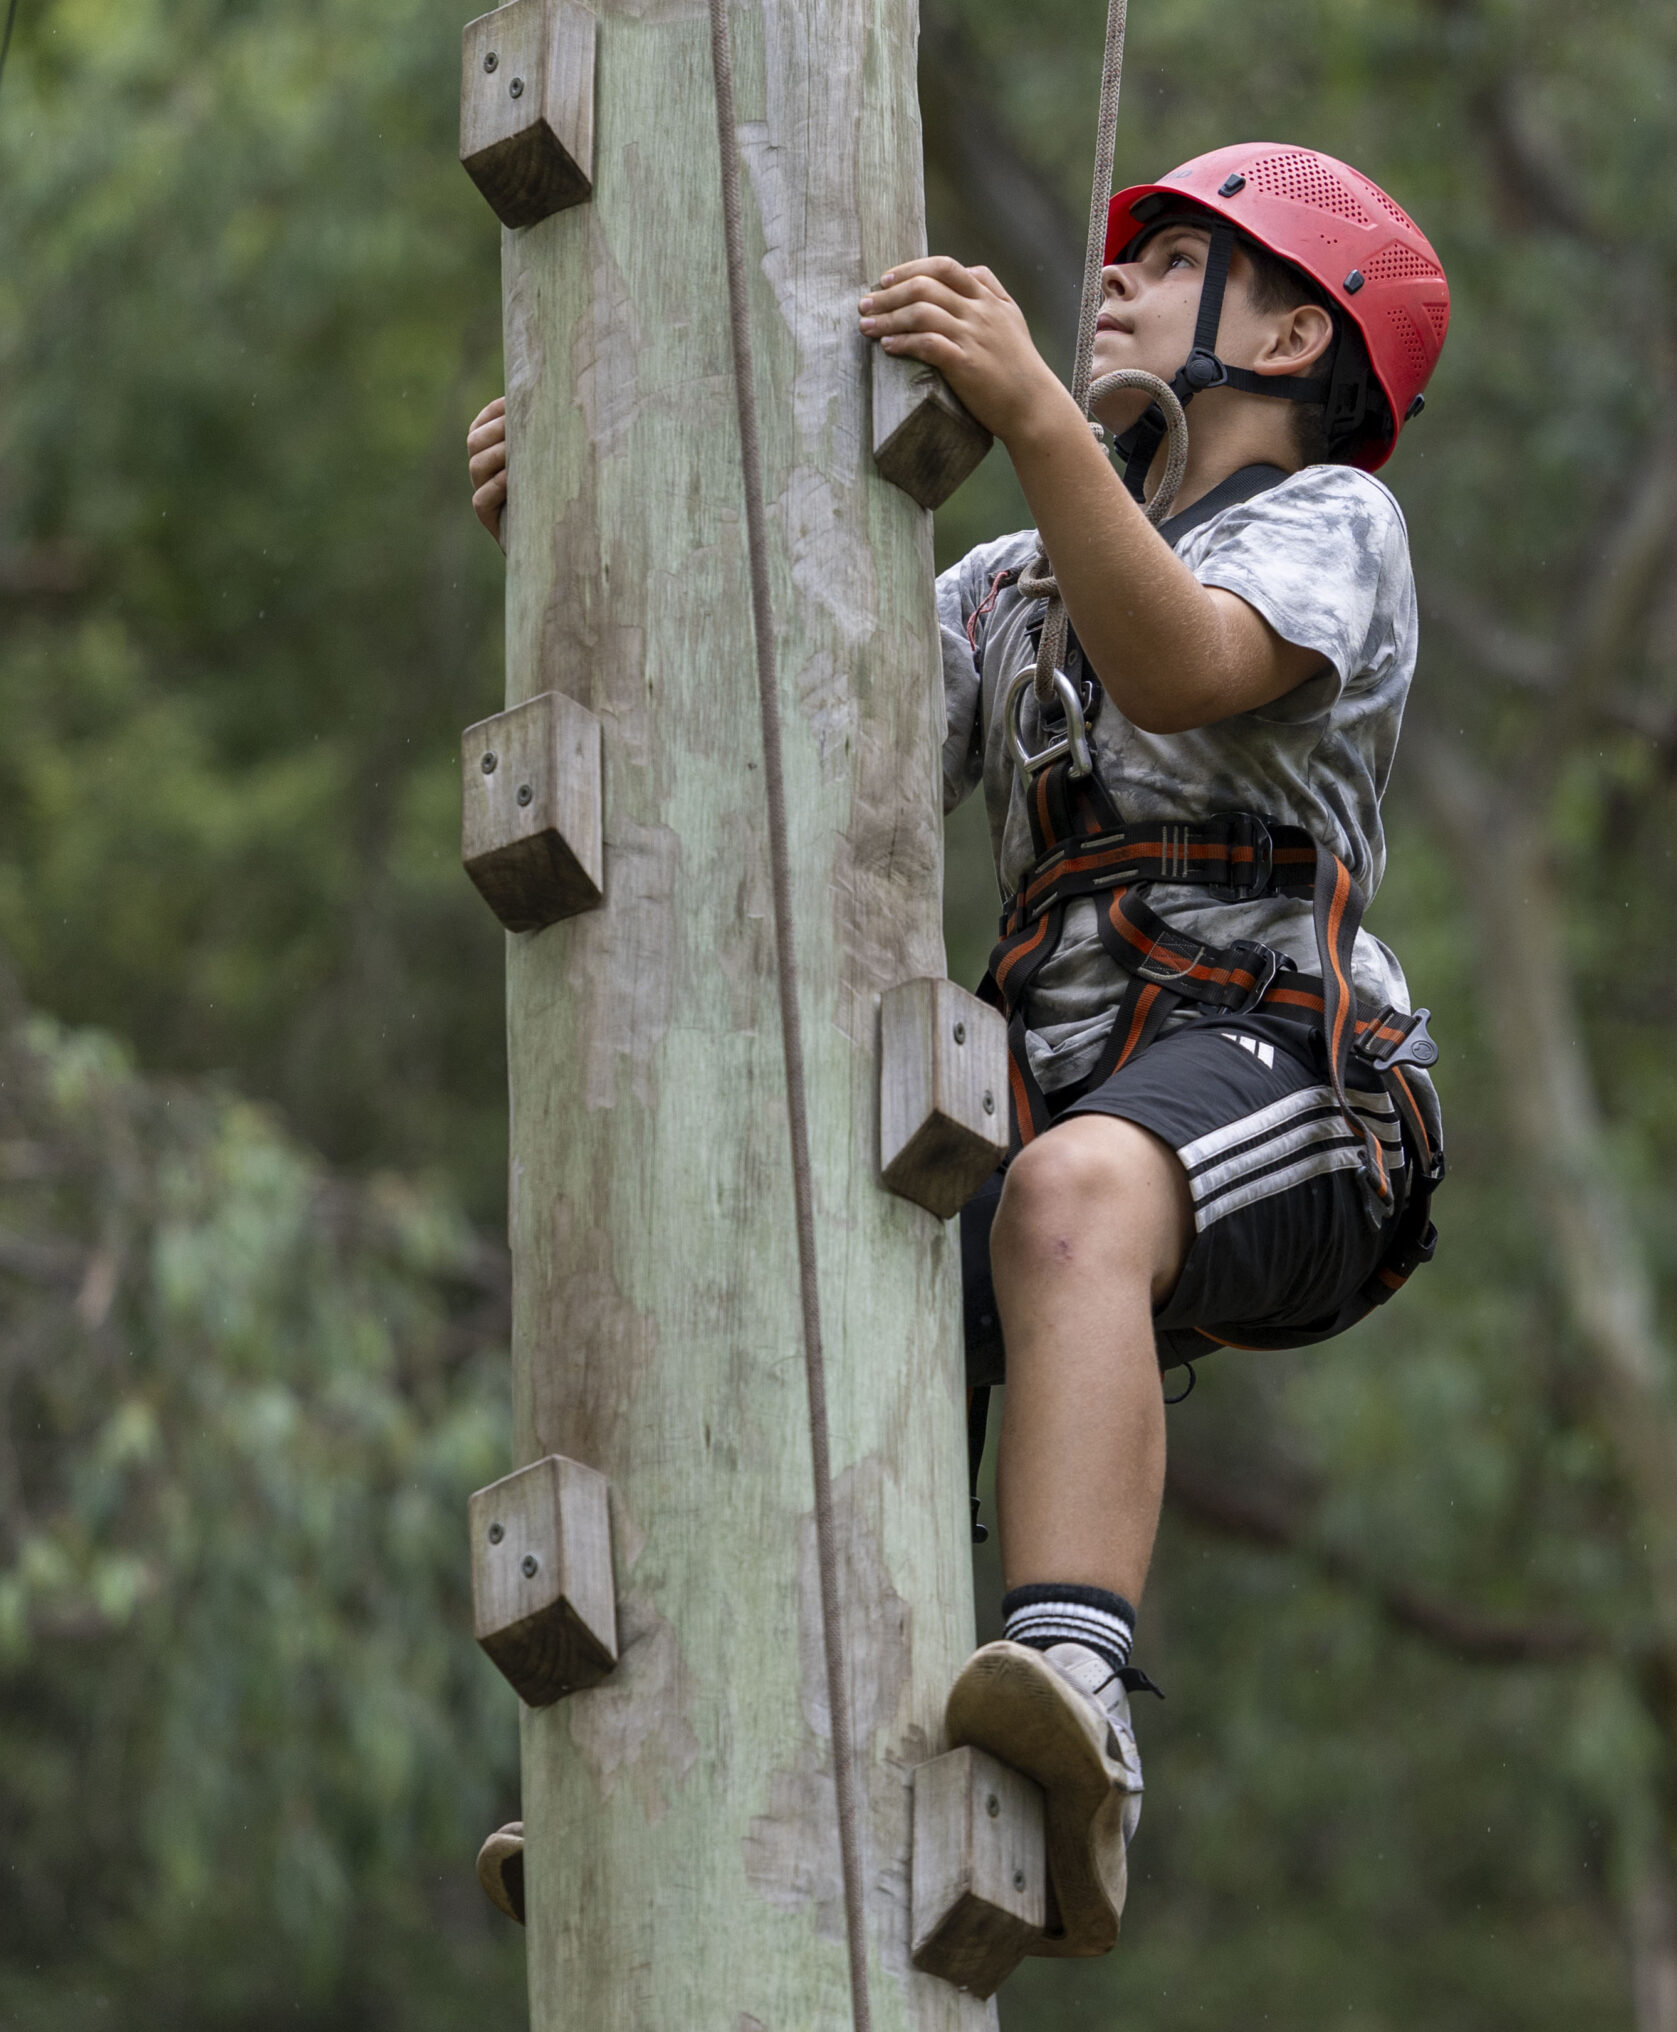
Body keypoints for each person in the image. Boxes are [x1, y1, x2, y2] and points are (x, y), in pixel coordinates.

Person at [463, 142, 1448, 1964]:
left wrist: (1031, 418)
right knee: (817, 1262)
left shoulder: (1326, 529)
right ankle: (685, 1742)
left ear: (1293, 324)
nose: (1115, 284)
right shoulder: (1005, 587)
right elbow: (763, 726)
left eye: (1170, 261)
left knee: (1069, 1195)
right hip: (1079, 1090)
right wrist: (586, 508)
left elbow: (1175, 666)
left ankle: (1081, 1684)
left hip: (1292, 1077)